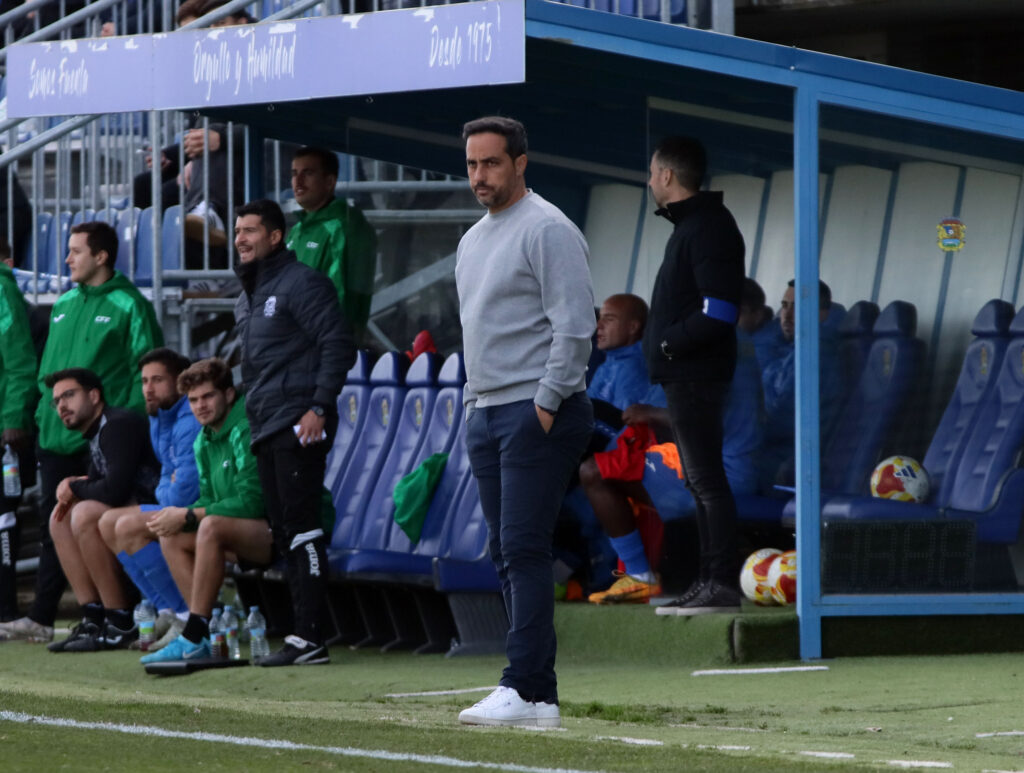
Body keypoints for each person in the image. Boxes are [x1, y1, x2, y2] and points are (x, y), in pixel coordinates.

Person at [455, 116, 594, 728]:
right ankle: (537, 697)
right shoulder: (472, 239)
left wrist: (546, 399)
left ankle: (522, 684)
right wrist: (471, 402)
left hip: (537, 409)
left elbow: (575, 325)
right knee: (505, 551)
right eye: (472, 164)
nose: (480, 176)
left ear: (520, 162)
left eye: (491, 163)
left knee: (523, 548)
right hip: (486, 410)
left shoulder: (547, 228)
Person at [0, 221, 162, 645]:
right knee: (59, 525)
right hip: (55, 435)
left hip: (103, 438)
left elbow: (146, 371)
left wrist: (120, 425)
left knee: (96, 524)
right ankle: (84, 615)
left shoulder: (130, 304)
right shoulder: (64, 303)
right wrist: (41, 414)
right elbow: (47, 372)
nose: (67, 259)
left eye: (75, 251)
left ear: (102, 256)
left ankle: (121, 614)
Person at [233, 198, 354, 666]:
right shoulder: (247, 292)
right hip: (266, 424)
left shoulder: (302, 282)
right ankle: (304, 634)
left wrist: (319, 406)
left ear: (276, 236)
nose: (241, 238)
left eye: (251, 230)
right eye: (238, 230)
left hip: (298, 420)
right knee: (284, 530)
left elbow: (338, 342)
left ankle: (311, 638)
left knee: (303, 530)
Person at [642, 136, 746, 616]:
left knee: (707, 480)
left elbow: (720, 311)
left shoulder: (708, 226)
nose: (649, 181)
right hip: (685, 376)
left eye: (651, 172)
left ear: (666, 175)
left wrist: (669, 342)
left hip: (697, 375)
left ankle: (720, 583)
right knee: (699, 482)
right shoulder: (691, 226)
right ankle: (707, 581)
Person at [582, 333, 763, 606]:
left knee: (594, 472)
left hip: (724, 472)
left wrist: (651, 413)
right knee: (616, 459)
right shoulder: (733, 350)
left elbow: (700, 420)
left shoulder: (718, 357)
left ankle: (639, 575)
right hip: (720, 465)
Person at [139, 358, 271, 664]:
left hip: (274, 530)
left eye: (208, 397)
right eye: (194, 400)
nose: (201, 406)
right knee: (172, 534)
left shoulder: (244, 427)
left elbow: (253, 501)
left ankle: (194, 632)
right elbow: (210, 497)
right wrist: (180, 517)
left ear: (227, 394)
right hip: (237, 532)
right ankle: (204, 635)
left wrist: (190, 515)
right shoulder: (204, 440)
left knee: (207, 525)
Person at [44, 369, 160, 653]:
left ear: (94, 395)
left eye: (69, 395)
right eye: (56, 400)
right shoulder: (96, 431)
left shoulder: (117, 425)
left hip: (157, 508)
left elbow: (114, 491)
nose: (61, 406)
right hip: (129, 511)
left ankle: (119, 621)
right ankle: (93, 618)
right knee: (60, 517)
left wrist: (76, 487)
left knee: (83, 512)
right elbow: (101, 482)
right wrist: (76, 485)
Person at [97, 348, 199, 650]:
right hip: (175, 503)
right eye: (144, 381)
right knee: (106, 522)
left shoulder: (189, 419)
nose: (148, 389)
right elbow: (168, 476)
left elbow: (185, 490)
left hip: (198, 509)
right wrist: (167, 490)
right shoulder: (160, 416)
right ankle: (166, 609)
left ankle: (186, 614)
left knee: (127, 526)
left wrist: (167, 491)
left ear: (179, 383)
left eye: (157, 380)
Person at [759, 278, 843, 490]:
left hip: (785, 462)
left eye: (798, 307)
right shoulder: (788, 350)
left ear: (822, 314)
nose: (787, 315)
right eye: (784, 306)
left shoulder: (815, 354)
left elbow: (782, 417)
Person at [286, 146, 377, 333]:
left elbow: (340, 297)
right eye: (294, 173)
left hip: (323, 345)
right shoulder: (297, 229)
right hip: (296, 343)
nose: (298, 181)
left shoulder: (344, 226)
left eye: (308, 173)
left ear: (329, 181)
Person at [0, 240, 38, 622]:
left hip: (2, 431)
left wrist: (13, 419)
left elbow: (20, 362)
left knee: (2, 518)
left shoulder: (2, 290)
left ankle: (6, 612)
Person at [587, 293, 652, 421]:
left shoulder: (633, 369)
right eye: (600, 318)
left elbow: (622, 426)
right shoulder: (609, 361)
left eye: (609, 319)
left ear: (632, 327)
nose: (598, 326)